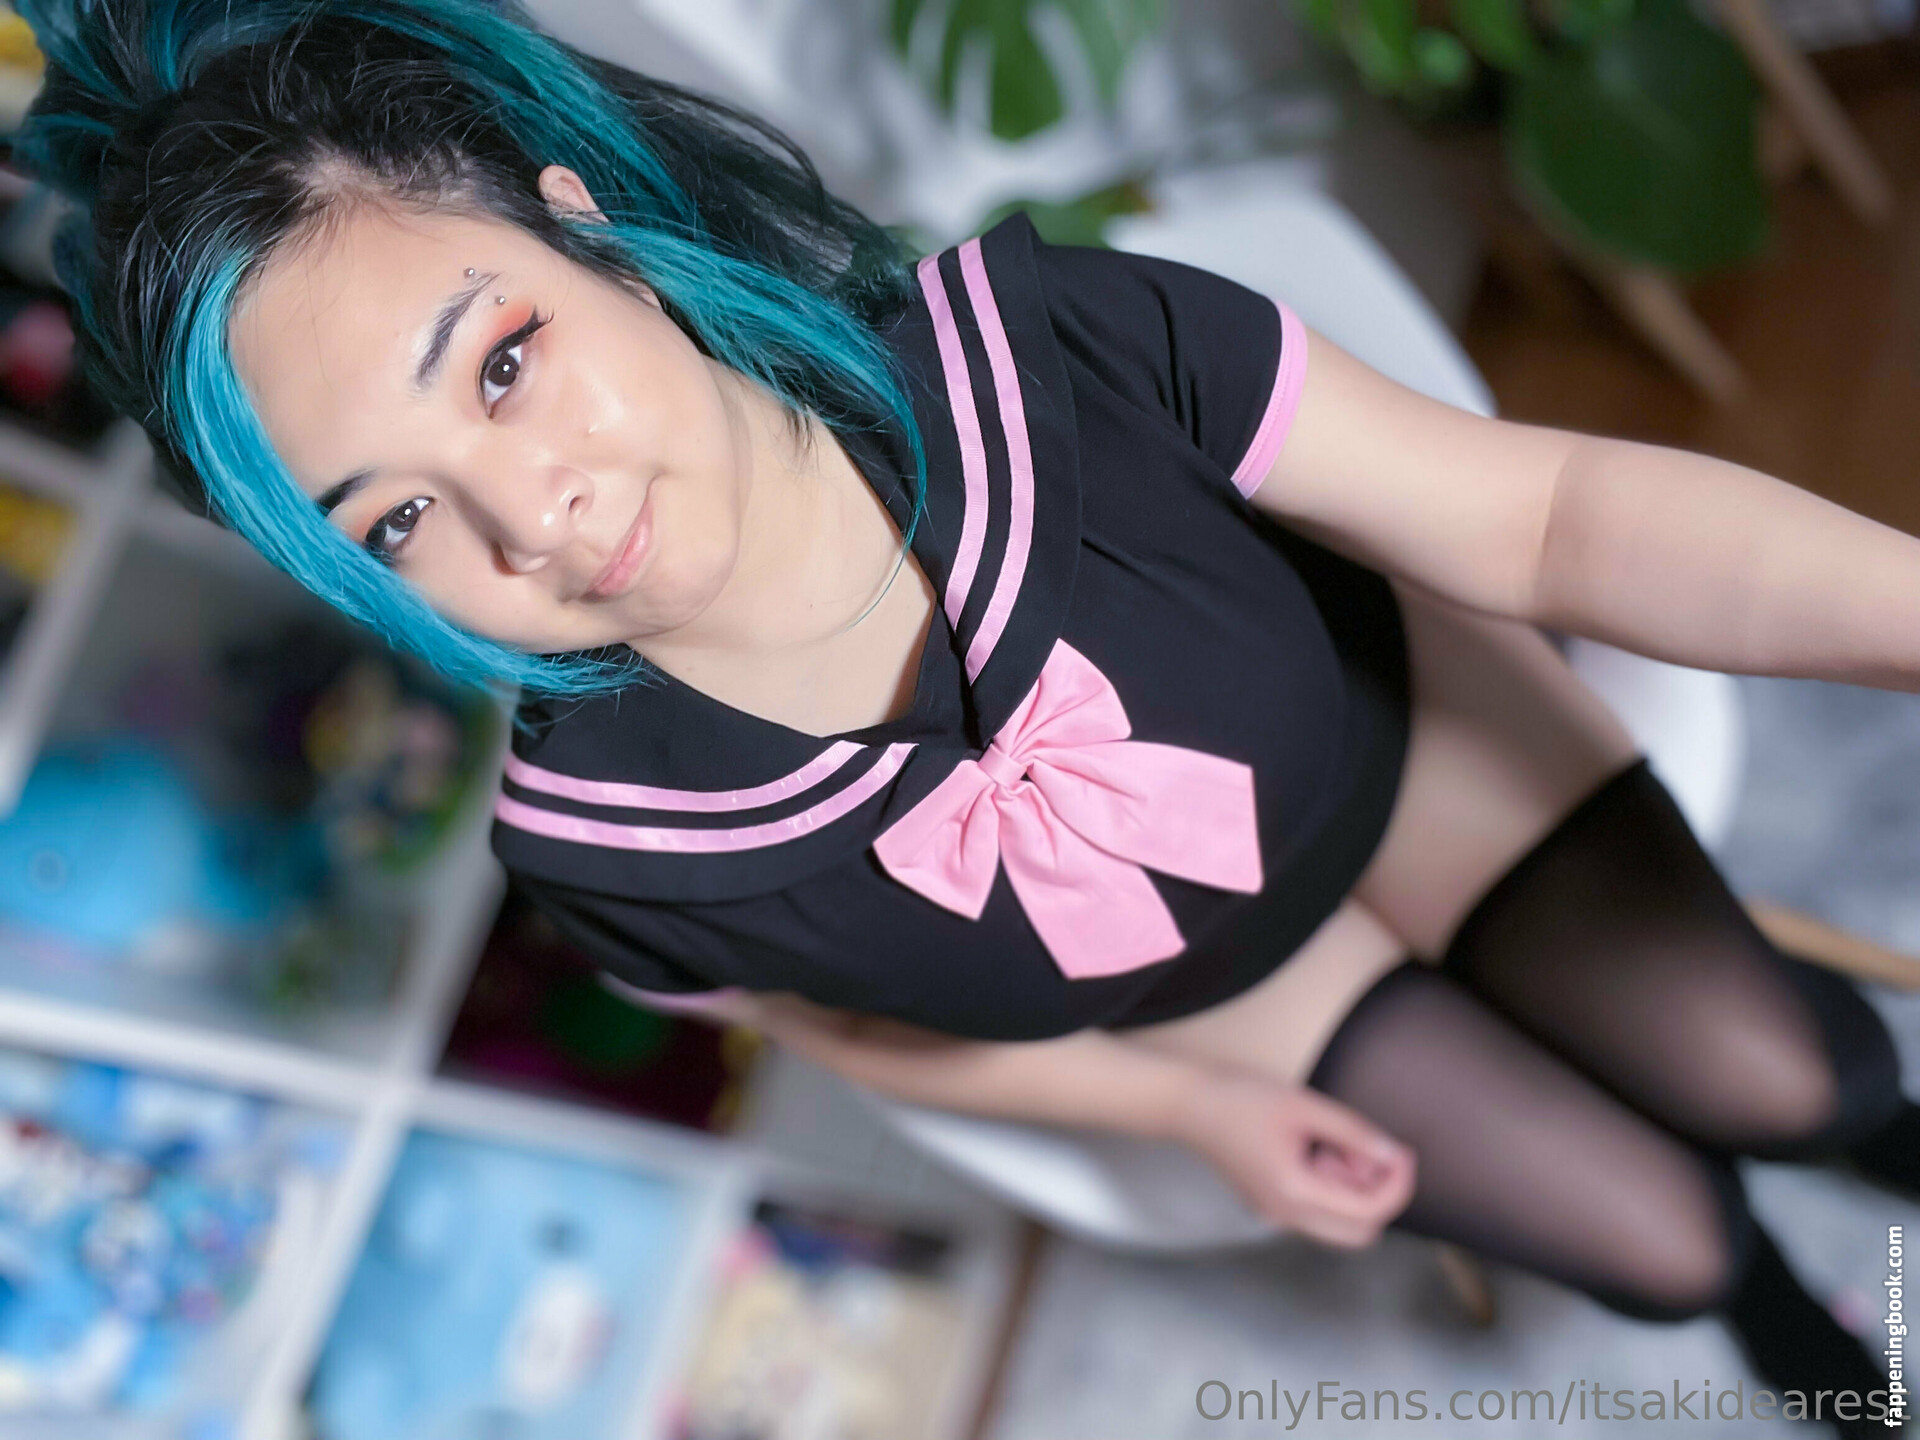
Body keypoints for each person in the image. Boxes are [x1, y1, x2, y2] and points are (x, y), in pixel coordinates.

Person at [21, 1, 1920, 1429]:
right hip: (1226, 998)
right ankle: (1789, 1316)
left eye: (505, 363)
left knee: (1792, 1075)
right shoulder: (606, 846)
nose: (537, 518)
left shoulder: (1052, 351)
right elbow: (853, 1031)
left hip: (1416, 750)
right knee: (1667, 1247)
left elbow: (1553, 516)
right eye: (400, 520)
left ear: (585, 224)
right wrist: (1192, 1110)